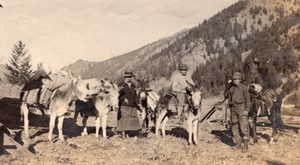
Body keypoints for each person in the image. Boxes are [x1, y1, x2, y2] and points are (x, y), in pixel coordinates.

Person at [224, 72, 251, 151]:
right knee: (234, 126)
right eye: (234, 79)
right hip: (233, 109)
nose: (235, 80)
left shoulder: (244, 88)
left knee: (243, 127)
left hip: (242, 108)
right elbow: (226, 96)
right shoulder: (231, 88)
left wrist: (247, 110)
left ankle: (245, 146)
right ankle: (238, 144)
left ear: (240, 79)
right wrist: (228, 86)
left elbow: (248, 100)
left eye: (237, 79)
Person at [117, 71, 143, 138]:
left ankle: (131, 133)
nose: (128, 78)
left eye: (129, 77)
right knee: (124, 120)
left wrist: (138, 103)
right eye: (127, 77)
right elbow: (118, 94)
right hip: (124, 105)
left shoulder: (132, 85)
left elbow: (135, 96)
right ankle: (123, 134)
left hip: (132, 104)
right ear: (124, 77)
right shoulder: (121, 84)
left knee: (133, 119)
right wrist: (124, 98)